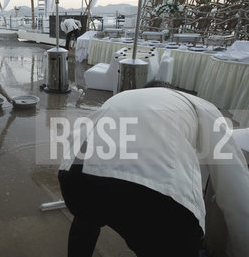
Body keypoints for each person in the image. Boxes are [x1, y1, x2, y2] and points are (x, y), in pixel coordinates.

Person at [58, 84, 249, 257]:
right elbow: (234, 186)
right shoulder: (201, 106)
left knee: (88, 215)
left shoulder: (124, 97)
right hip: (153, 195)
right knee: (166, 243)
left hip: (75, 176)